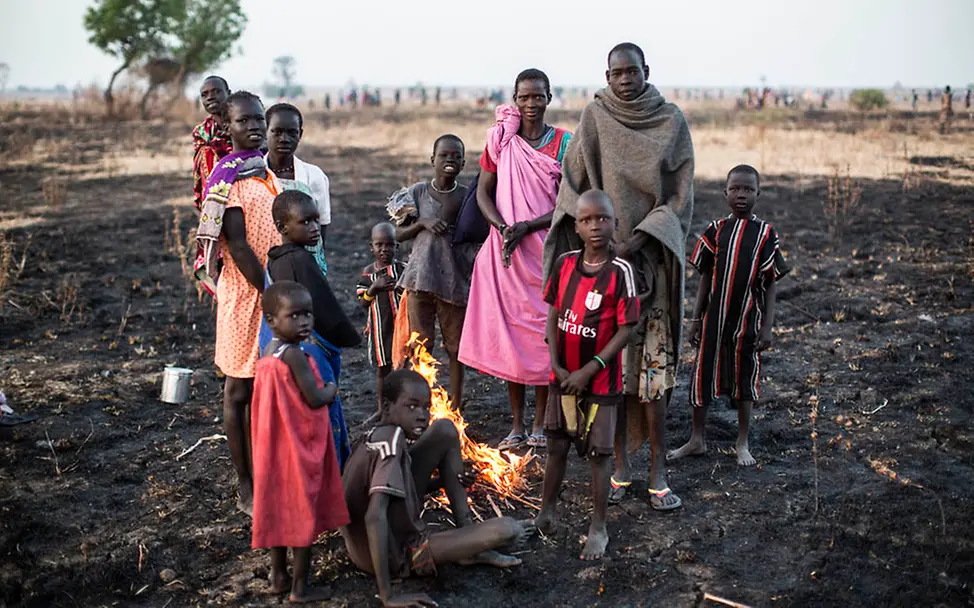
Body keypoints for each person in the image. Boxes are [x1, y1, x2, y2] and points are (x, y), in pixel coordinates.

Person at [543, 43, 694, 511]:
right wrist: (595, 242)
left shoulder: (671, 122)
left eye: (632, 71)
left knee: (651, 372)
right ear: (606, 76)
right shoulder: (594, 118)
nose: (625, 79)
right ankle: (622, 467)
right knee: (614, 371)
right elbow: (575, 184)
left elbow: (679, 197)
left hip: (649, 263)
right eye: (616, 73)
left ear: (647, 71)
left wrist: (642, 238)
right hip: (600, 267)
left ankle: (658, 472)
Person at [341, 369, 533, 608]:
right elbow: (374, 516)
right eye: (412, 407)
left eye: (426, 407)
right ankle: (466, 551)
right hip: (392, 554)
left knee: (445, 429)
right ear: (388, 407)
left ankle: (468, 537)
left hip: (380, 535)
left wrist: (446, 481)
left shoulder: (382, 434)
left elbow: (397, 491)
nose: (422, 416)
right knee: (508, 529)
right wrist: (387, 594)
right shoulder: (389, 448)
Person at [460, 68, 573, 451]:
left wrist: (528, 226)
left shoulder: (563, 143)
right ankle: (517, 424)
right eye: (523, 97)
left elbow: (567, 203)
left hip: (546, 249)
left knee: (541, 336)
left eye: (538, 96)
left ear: (549, 97)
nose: (530, 104)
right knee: (511, 337)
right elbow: (483, 192)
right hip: (505, 252)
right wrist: (503, 227)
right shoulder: (500, 141)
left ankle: (541, 423)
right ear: (515, 98)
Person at [535, 190, 639, 561]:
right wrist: (557, 363)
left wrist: (590, 368)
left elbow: (626, 329)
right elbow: (552, 312)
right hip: (562, 377)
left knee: (599, 455)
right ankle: (546, 511)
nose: (595, 226)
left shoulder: (622, 272)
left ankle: (598, 526)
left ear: (614, 223)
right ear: (576, 226)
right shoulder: (564, 264)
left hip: (600, 382)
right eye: (586, 220)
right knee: (556, 445)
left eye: (603, 219)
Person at [668, 165, 789, 467]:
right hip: (713, 322)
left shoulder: (765, 235)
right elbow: (705, 277)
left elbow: (771, 284)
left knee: (745, 378)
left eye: (748, 189)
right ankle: (697, 439)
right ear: (725, 193)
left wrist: (767, 328)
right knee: (702, 376)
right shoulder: (715, 230)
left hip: (747, 321)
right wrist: (695, 319)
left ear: (758, 194)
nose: (741, 195)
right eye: (735, 189)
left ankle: (742, 441)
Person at [196, 90, 282, 515]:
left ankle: (266, 472)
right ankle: (244, 485)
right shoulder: (226, 176)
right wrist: (269, 292)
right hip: (246, 296)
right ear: (227, 128)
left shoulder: (264, 171)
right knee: (238, 389)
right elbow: (240, 246)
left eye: (258, 120)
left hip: (272, 292)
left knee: (268, 386)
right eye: (244, 120)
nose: (253, 127)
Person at [251, 281, 349, 603]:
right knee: (302, 513)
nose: (305, 321)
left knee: (280, 513)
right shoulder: (294, 355)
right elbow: (315, 398)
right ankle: (300, 588)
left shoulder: (269, 352)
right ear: (271, 321)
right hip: (296, 448)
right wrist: (331, 389)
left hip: (273, 449)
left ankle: (278, 576)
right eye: (294, 316)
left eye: (308, 314)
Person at [259, 190, 362, 468]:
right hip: (310, 352)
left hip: (288, 348)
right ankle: (333, 475)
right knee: (323, 417)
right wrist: (348, 335)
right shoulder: (301, 260)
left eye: (316, 220)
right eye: (305, 222)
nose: (315, 228)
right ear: (282, 228)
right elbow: (324, 308)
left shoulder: (276, 259)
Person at [388, 135, 476, 410]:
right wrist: (422, 223)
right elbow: (398, 233)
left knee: (455, 348)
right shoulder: (417, 193)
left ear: (463, 162)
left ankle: (456, 406)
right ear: (432, 160)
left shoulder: (466, 197)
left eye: (456, 156)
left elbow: (477, 236)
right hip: (420, 278)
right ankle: (420, 402)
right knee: (420, 344)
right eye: (444, 155)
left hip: (453, 280)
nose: (450, 160)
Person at [264, 103, 332, 276]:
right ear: (265, 131)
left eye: (292, 133)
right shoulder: (254, 175)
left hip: (306, 264)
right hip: (264, 263)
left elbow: (322, 225)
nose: (284, 139)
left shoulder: (313, 176)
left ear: (300, 135)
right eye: (277, 132)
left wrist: (313, 267)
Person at [357, 223, 407, 415]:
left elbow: (410, 294)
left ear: (396, 247)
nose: (384, 250)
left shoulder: (402, 269)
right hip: (379, 329)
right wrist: (374, 288)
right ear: (372, 247)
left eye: (389, 245)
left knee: (402, 365)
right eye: (379, 245)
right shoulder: (368, 273)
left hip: (400, 326)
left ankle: (400, 403)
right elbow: (362, 301)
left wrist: (398, 288)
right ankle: (381, 407)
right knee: (382, 368)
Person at [191, 76, 233, 295]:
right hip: (213, 203)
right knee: (218, 260)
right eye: (204, 94)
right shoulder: (201, 133)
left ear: (228, 92)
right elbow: (200, 174)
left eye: (216, 91)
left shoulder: (240, 127)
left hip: (238, 201)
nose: (210, 97)